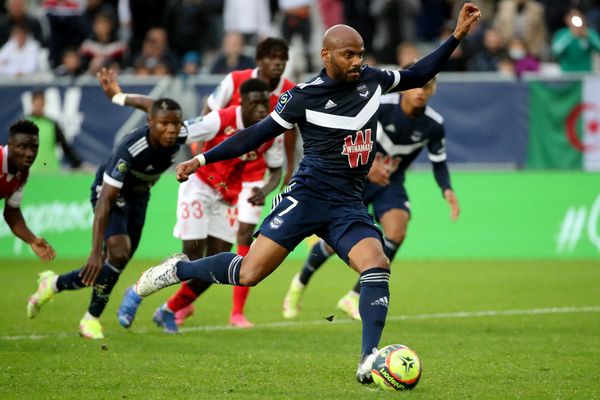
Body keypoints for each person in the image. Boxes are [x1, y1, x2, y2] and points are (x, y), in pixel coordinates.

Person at [134, 4, 480, 384]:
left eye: (361, 54)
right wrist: (201, 160)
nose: (357, 61)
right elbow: (255, 134)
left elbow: (418, 73)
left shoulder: (373, 80)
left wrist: (457, 35)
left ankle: (367, 359)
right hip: (307, 197)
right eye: (349, 54)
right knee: (249, 273)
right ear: (326, 55)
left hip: (347, 202)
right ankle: (177, 269)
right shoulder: (303, 96)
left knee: (376, 264)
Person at [95, 69, 283, 332]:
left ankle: (169, 309)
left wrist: (264, 189)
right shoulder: (220, 119)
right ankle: (138, 290)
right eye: (256, 103)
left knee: (219, 264)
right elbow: (174, 126)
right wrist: (119, 99)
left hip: (226, 195)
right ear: (241, 103)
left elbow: (276, 169)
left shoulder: (271, 131)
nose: (263, 109)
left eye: (266, 103)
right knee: (191, 255)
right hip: (199, 185)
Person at [282, 71, 460, 321]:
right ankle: (298, 285)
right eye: (417, 85)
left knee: (397, 231)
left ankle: (353, 296)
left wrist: (447, 190)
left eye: (427, 86)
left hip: (390, 181)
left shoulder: (433, 124)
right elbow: (349, 131)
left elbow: (439, 162)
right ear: (406, 87)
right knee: (335, 244)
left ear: (433, 90)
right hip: (357, 176)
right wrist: (369, 162)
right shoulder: (381, 105)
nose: (420, 91)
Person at [25, 97, 208, 339]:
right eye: (164, 123)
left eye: (176, 123)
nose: (171, 129)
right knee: (116, 254)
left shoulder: (178, 131)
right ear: (150, 123)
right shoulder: (131, 149)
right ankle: (90, 320)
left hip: (140, 198)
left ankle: (53, 285)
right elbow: (105, 200)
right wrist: (94, 250)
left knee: (110, 268)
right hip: (112, 194)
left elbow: (154, 106)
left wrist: (121, 96)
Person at [190, 36, 296, 328]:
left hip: (253, 171)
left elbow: (289, 134)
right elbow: (209, 111)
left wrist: (286, 172)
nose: (278, 63)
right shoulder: (235, 79)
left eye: (282, 59)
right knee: (201, 247)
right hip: (217, 170)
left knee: (246, 233)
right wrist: (199, 152)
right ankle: (183, 301)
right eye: (273, 57)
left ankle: (237, 312)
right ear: (259, 61)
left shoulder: (288, 90)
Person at [1, 119, 56, 262]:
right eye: (23, 147)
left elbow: (11, 212)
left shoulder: (22, 174)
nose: (30, 153)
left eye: (34, 147)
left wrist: (32, 240)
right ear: (10, 145)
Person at [26, 90, 84, 173]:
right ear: (32, 103)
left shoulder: (51, 124)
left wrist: (79, 164)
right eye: (36, 103)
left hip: (50, 170)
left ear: (44, 103)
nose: (39, 106)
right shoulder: (24, 124)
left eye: (41, 103)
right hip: (31, 171)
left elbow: (65, 146)